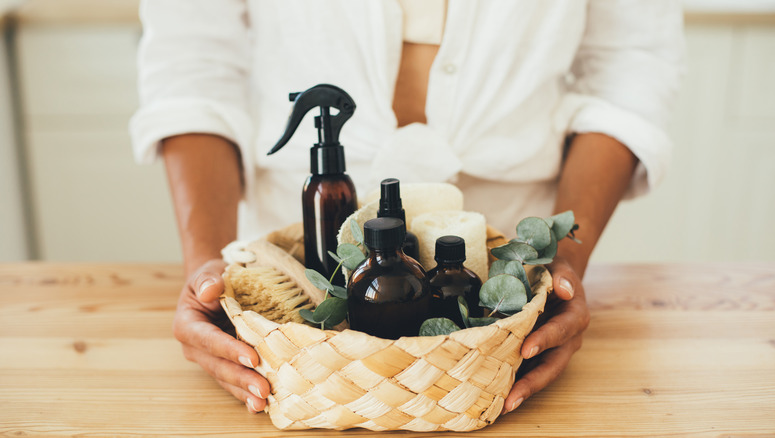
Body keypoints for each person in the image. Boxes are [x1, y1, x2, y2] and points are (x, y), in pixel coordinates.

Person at [131, 1, 684, 415]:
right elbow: (192, 62)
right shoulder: (325, 194)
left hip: (503, 293)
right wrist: (206, 264)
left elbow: (628, 68)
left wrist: (559, 267)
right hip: (295, 303)